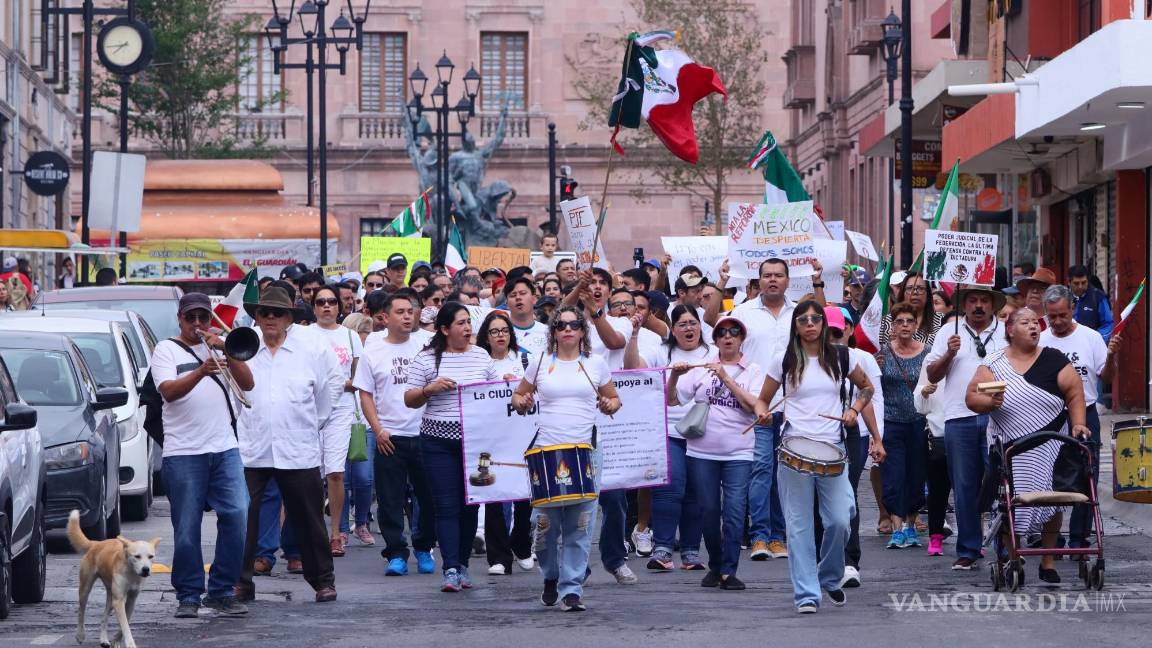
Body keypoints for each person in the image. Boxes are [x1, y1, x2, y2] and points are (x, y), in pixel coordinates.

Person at [756, 300, 881, 613]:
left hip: (833, 451)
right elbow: (762, 401)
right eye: (803, 319)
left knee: (840, 520)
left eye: (815, 318)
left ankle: (828, 576)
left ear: (824, 323)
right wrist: (763, 415)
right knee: (798, 527)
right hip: (793, 451)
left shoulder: (842, 356)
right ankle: (807, 594)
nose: (810, 323)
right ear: (795, 326)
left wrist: (853, 410)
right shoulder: (783, 361)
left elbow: (867, 389)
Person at [966, 307, 1091, 583]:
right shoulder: (994, 364)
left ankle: (1048, 561)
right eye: (1026, 322)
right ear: (1010, 330)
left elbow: (1074, 392)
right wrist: (989, 402)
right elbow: (972, 397)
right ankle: (1014, 559)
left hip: (1052, 444)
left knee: (1053, 501)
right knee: (1011, 504)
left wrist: (1079, 423)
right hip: (1012, 448)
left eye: (1036, 322)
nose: (1034, 326)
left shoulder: (1054, 359)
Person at [235, 286, 344, 603]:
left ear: (289, 318)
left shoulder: (311, 345)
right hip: (253, 445)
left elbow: (331, 386)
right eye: (264, 312)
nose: (270, 318)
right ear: (256, 316)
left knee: (309, 518)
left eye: (277, 313)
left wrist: (313, 420)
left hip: (298, 445)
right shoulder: (244, 343)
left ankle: (323, 580)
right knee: (242, 518)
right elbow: (233, 390)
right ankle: (241, 581)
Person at [511, 306, 621, 612]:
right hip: (548, 452)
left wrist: (608, 403)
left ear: (582, 331)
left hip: (585, 452)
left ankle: (572, 589)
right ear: (554, 331)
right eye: (561, 324)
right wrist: (523, 400)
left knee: (580, 525)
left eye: (574, 324)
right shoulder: (540, 361)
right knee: (544, 525)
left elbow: (614, 400)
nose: (568, 329)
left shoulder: (595, 364)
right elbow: (517, 398)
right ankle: (551, 575)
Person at [153, 293, 254, 618]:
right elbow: (168, 391)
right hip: (184, 452)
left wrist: (225, 348)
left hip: (224, 448)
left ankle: (222, 590)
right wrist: (201, 370)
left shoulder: (221, 347)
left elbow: (248, 383)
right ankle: (189, 594)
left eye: (203, 318)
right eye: (190, 318)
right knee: (186, 527)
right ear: (180, 319)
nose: (197, 324)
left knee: (238, 515)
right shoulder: (165, 349)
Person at [404, 302, 500, 592]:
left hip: (475, 443)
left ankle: (463, 565)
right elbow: (409, 399)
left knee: (470, 505)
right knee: (446, 507)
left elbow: (497, 394)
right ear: (444, 329)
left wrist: (507, 386)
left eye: (468, 322)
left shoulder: (482, 356)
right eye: (460, 323)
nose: (468, 328)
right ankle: (450, 570)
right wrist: (428, 390)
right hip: (437, 443)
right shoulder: (426, 359)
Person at [666, 316, 765, 590]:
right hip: (702, 452)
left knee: (734, 512)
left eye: (734, 332)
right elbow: (673, 399)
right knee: (708, 511)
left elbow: (753, 406)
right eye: (722, 333)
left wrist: (726, 377)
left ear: (742, 338)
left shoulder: (753, 370)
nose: (728, 337)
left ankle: (729, 571)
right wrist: (675, 374)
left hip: (739, 453)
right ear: (716, 339)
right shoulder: (702, 367)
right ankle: (716, 565)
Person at [561, 268, 636, 584]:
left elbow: (614, 341)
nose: (596, 288)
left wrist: (595, 313)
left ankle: (614, 558)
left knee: (615, 498)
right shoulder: (570, 324)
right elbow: (557, 317)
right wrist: (575, 293)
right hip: (576, 418)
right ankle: (578, 564)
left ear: (609, 290)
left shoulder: (619, 320)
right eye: (590, 284)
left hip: (611, 415)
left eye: (602, 284)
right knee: (576, 497)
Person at [354, 291, 437, 577]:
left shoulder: (427, 344)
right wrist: (377, 430)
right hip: (390, 436)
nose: (406, 316)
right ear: (385, 318)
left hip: (426, 434)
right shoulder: (373, 351)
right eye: (399, 312)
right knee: (389, 500)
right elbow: (365, 394)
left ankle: (425, 548)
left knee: (428, 498)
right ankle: (396, 553)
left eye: (410, 311)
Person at [925, 286, 1008, 570]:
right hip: (958, 417)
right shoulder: (948, 332)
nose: (978, 306)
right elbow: (932, 375)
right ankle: (969, 548)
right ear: (964, 305)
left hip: (999, 417)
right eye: (973, 300)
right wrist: (949, 354)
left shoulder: (1006, 332)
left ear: (993, 305)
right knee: (963, 486)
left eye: (984, 300)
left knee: (1000, 483)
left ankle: (1004, 547)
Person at [624, 305, 709, 571]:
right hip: (668, 431)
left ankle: (692, 552)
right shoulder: (662, 352)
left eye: (693, 323)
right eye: (682, 324)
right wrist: (634, 334)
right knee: (670, 490)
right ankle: (662, 548)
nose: (689, 328)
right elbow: (632, 368)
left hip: (705, 433)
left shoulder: (713, 353)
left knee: (696, 494)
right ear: (673, 330)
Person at [1039, 284, 1120, 549]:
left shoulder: (1090, 337)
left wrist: (1112, 357)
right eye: (1052, 317)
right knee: (1049, 476)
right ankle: (1052, 536)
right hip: (1050, 415)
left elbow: (1105, 377)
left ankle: (1079, 538)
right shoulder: (1041, 340)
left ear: (1073, 308)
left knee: (1088, 474)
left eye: (1063, 314)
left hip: (1085, 412)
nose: (1058, 322)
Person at [726, 258, 796, 561]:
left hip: (793, 407)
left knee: (786, 473)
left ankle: (780, 536)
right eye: (767, 275)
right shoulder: (743, 313)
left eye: (778, 275)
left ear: (788, 280)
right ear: (758, 280)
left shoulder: (800, 314)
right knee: (761, 471)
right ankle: (759, 536)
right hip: (756, 406)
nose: (772, 280)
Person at [823, 308, 883, 589]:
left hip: (851, 436)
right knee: (816, 501)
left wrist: (876, 437)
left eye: (838, 332)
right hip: (815, 438)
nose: (834, 338)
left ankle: (850, 561)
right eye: (829, 333)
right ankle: (823, 560)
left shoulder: (860, 359)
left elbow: (869, 396)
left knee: (847, 497)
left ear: (849, 331)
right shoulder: (806, 360)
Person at [474, 311, 535, 575]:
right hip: (491, 436)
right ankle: (498, 557)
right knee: (494, 494)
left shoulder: (524, 360)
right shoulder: (478, 362)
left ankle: (521, 543)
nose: (500, 335)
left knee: (524, 493)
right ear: (486, 337)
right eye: (494, 331)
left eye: (504, 330)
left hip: (521, 435)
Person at [310, 286, 364, 555]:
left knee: (335, 472)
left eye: (331, 301)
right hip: (310, 410)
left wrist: (340, 384)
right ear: (314, 307)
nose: (327, 306)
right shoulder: (304, 335)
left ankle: (336, 533)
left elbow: (359, 379)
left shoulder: (351, 336)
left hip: (341, 409)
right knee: (309, 474)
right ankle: (311, 531)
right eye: (321, 302)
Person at [879, 302, 930, 550]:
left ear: (916, 324)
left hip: (920, 422)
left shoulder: (927, 353)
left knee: (916, 475)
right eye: (900, 321)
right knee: (893, 477)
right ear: (893, 325)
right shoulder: (884, 353)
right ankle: (897, 527)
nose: (905, 325)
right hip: (891, 422)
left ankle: (911, 525)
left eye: (910, 320)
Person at [914, 364, 951, 556]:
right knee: (938, 489)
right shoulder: (934, 360)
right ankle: (935, 534)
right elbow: (920, 405)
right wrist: (925, 392)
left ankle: (973, 539)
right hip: (938, 432)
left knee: (970, 489)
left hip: (969, 430)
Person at [881, 272, 943, 347]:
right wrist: (890, 344)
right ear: (903, 292)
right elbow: (878, 353)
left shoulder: (942, 320)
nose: (915, 292)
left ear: (928, 294)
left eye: (920, 288)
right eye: (910, 288)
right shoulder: (886, 321)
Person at [504, 276, 548, 358]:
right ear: (506, 304)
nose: (518, 297)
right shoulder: (499, 333)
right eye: (513, 295)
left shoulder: (548, 333)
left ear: (534, 299)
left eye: (523, 293)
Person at [1067, 265, 1114, 341]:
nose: (1080, 286)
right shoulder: (1063, 297)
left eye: (1083, 282)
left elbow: (1107, 324)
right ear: (1069, 282)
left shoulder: (1098, 297)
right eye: (1076, 283)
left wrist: (1096, 340)